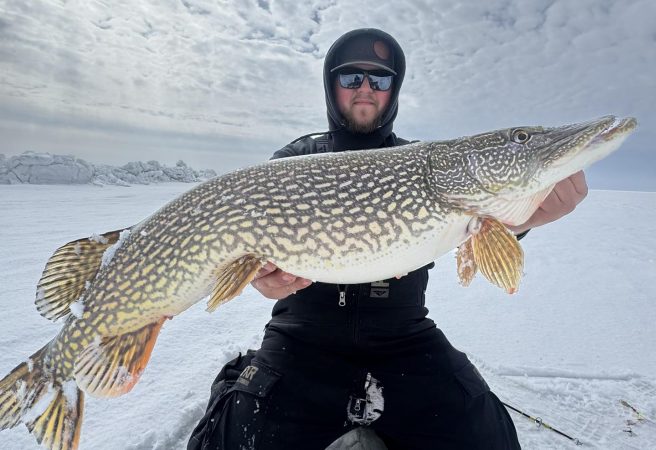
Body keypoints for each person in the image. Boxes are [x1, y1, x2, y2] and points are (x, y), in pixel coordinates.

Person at [189, 28, 588, 450]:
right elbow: (253, 253)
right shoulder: (295, 161)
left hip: (404, 336)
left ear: (393, 91)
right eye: (351, 78)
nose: (365, 89)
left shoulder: (427, 161)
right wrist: (263, 279)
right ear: (331, 85)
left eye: (380, 80)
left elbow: (482, 218)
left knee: (488, 439)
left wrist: (524, 218)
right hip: (303, 337)